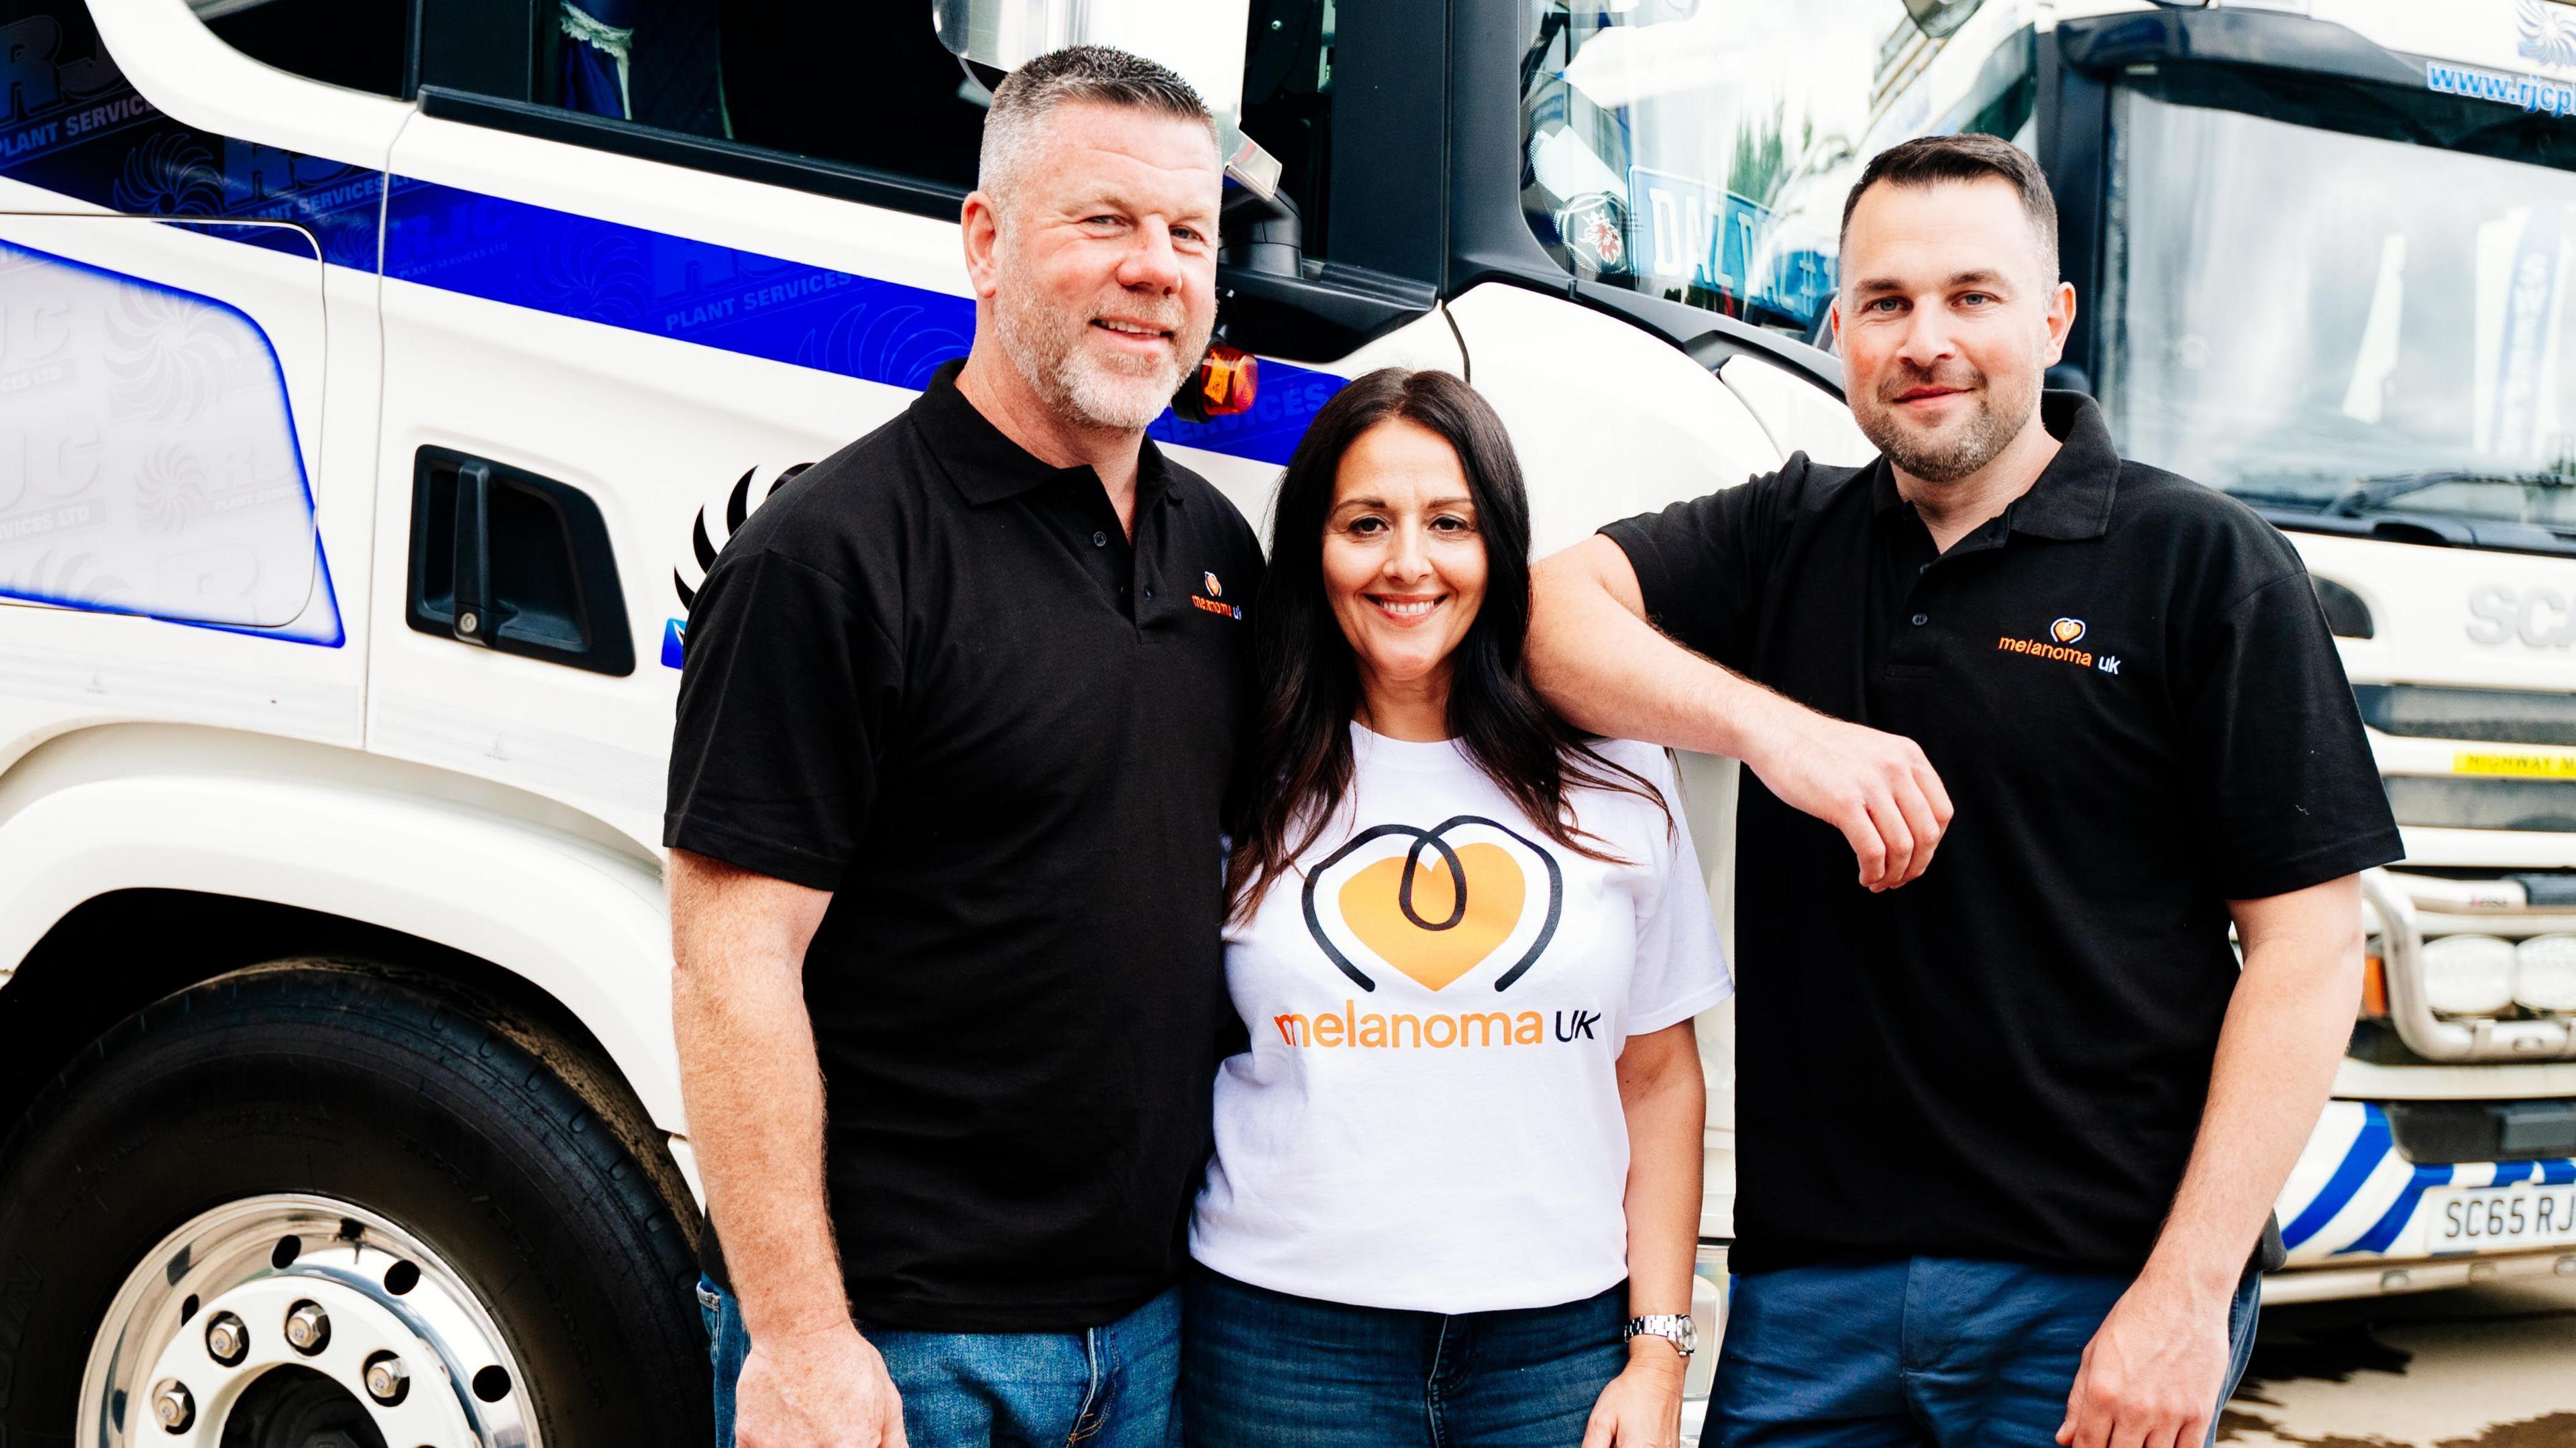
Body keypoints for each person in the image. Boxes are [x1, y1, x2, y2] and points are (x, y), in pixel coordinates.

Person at [1529, 133, 2401, 1448]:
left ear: (2051, 319)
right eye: (1886, 302)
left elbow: (2310, 949)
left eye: (1971, 297)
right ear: (1838, 330)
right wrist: (1776, 732)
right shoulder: (1784, 535)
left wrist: (2187, 1294)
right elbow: (1544, 619)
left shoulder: (2204, 564)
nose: (1924, 337)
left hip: (2096, 1289)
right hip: (1808, 1291)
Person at [663, 46, 1256, 1448]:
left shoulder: (1217, 552)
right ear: (985, 242)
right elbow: (728, 964)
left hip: (1152, 1335)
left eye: (1188, 235)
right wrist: (804, 1338)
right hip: (906, 1346)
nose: (1154, 269)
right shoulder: (834, 557)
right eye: (1103, 221)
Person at [1183, 367, 1733, 1448]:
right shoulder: (1237, 762)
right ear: (1313, 548)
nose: (1408, 563)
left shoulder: (1617, 768)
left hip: (1554, 1350)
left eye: (1451, 524)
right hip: (1283, 1346)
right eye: (1365, 524)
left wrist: (1659, 1354)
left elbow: (1661, 1075)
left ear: (1502, 547)